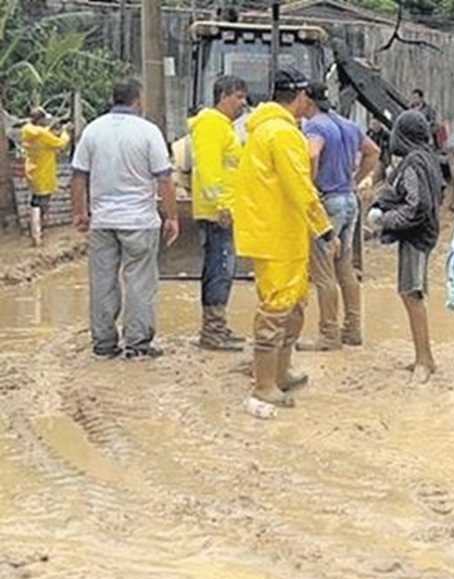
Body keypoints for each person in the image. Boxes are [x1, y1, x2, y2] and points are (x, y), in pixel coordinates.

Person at [232, 68, 333, 417]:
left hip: (274, 230)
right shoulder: (283, 134)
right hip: (278, 233)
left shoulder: (263, 130)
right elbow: (299, 187)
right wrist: (325, 228)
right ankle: (264, 384)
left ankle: (280, 372)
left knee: (294, 302)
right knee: (277, 308)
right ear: (301, 96)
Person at [71, 79, 179, 360]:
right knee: (140, 282)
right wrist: (171, 217)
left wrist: (80, 213)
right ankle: (137, 345)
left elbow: (78, 176)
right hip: (140, 222)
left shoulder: (93, 130)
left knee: (102, 281)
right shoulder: (148, 131)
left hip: (103, 221)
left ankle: (104, 344)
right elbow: (164, 179)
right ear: (138, 99)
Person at [299, 82, 380, 351]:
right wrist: (355, 180)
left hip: (328, 202)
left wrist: (310, 186)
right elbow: (373, 152)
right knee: (345, 266)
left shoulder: (314, 126)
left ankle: (328, 334)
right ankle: (353, 329)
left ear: (307, 101)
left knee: (323, 272)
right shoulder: (348, 124)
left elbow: (312, 153)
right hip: (349, 200)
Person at [367, 110, 444, 383]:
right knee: (410, 293)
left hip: (417, 236)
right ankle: (422, 356)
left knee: (412, 294)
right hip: (425, 233)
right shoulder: (427, 158)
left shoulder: (413, 163)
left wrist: (384, 220)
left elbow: (416, 205)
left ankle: (425, 359)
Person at [189, 74, 248, 351]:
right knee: (219, 269)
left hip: (224, 209)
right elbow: (209, 168)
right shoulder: (211, 123)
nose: (243, 103)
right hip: (217, 213)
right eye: (238, 96)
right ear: (222, 95)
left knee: (222, 269)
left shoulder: (223, 126)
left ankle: (217, 327)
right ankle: (212, 331)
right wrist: (222, 204)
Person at [21, 107, 71, 246]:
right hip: (44, 172)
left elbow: (42, 135)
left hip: (32, 170)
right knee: (43, 203)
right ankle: (38, 233)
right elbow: (60, 144)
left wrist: (49, 129)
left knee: (34, 200)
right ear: (40, 119)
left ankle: (34, 230)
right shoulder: (42, 134)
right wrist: (65, 132)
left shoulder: (27, 130)